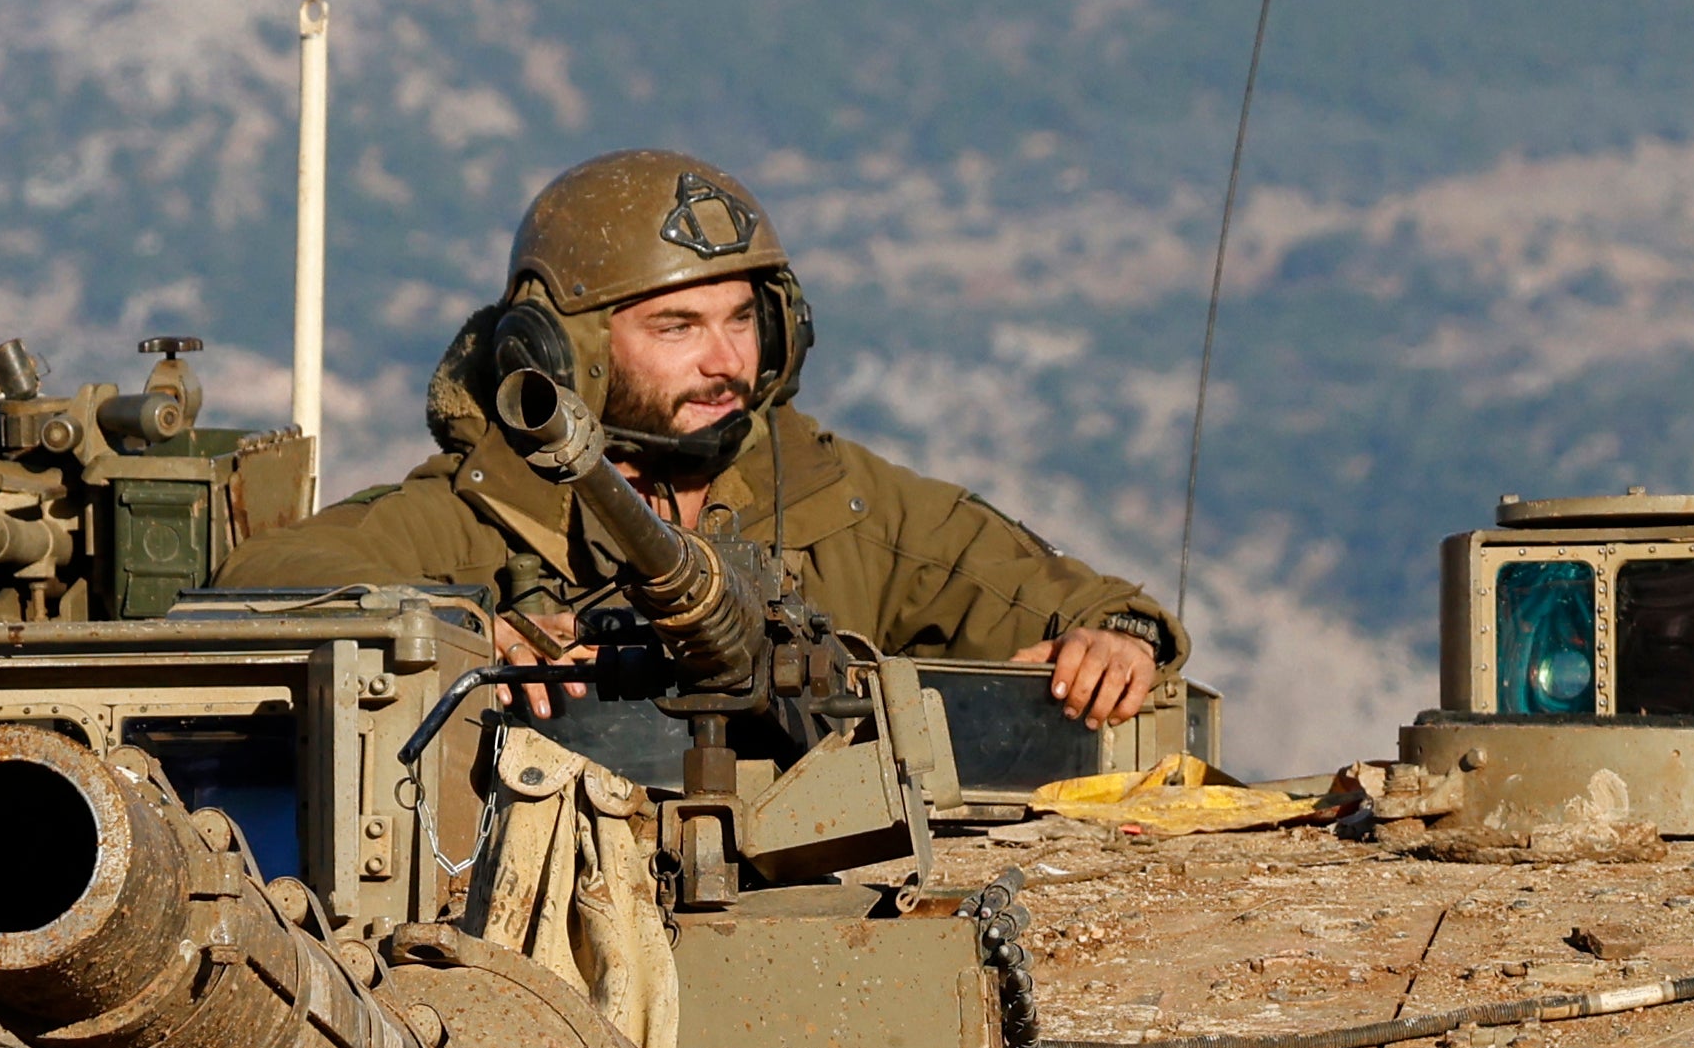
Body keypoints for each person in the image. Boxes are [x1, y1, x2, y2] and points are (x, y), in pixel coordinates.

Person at [213, 150, 1181, 723]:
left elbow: (1066, 600)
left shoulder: (820, 491)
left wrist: (1115, 644)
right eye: (676, 329)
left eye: (740, 320)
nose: (725, 361)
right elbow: (259, 588)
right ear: (571, 354)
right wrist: (466, 638)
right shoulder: (491, 508)